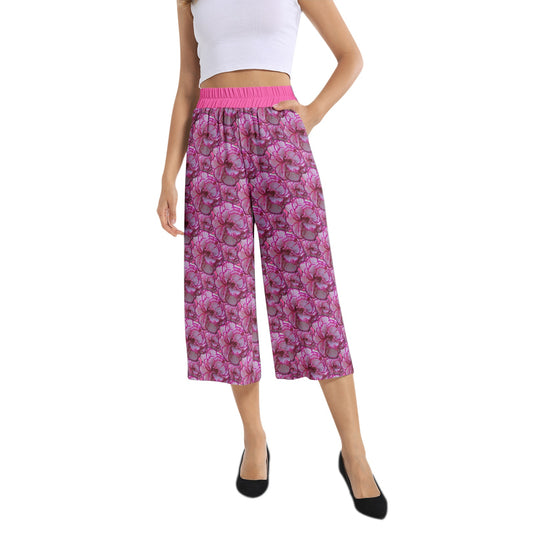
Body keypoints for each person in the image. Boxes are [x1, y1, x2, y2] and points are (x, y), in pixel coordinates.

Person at [156, 0, 387, 519]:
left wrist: (314, 111)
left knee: (313, 298)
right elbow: (188, 84)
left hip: (280, 137)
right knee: (226, 302)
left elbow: (350, 56)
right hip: (211, 142)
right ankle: (254, 438)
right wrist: (169, 173)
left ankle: (355, 453)